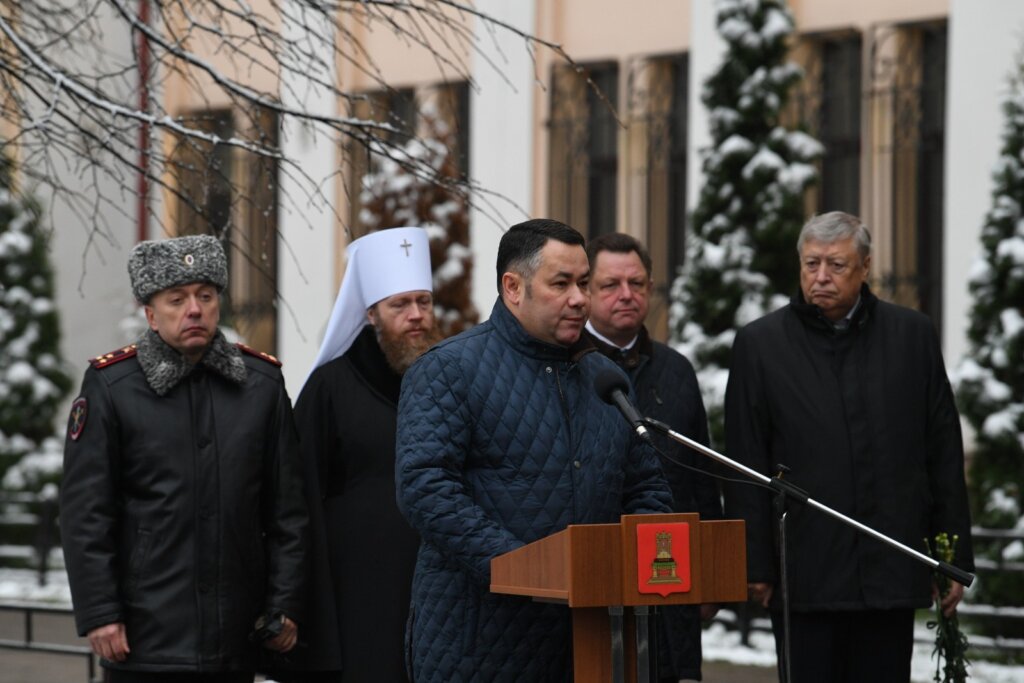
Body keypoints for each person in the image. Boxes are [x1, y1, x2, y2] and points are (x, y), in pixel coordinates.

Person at [394, 219, 674, 682]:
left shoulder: (606, 379)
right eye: (561, 284)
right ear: (513, 287)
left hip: (591, 639)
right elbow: (426, 487)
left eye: (583, 283)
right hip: (482, 642)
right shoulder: (449, 370)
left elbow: (645, 486)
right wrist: (519, 567)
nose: (579, 299)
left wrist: (636, 556)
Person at [723, 211, 974, 682]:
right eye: (811, 263)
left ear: (865, 266)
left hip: (890, 569)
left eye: (836, 265)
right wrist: (754, 564)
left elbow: (941, 448)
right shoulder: (760, 344)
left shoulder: (912, 335)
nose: (821, 276)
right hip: (804, 573)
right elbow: (746, 460)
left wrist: (952, 558)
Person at [60, 234, 309, 683]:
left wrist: (285, 604)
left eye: (205, 296)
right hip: (144, 638)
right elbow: (86, 513)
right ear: (151, 315)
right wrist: (100, 612)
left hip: (236, 637)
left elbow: (288, 511)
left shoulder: (261, 385)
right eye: (177, 299)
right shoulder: (112, 387)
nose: (194, 309)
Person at [280, 227, 440, 682]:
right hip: (355, 595)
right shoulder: (330, 387)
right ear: (371, 314)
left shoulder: (448, 380)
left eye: (423, 302)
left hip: (435, 589)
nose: (416, 315)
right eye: (400, 305)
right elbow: (297, 497)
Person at [584, 232, 721, 683]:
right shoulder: (568, 366)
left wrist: (710, 571)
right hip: (595, 577)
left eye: (637, 283)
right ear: (586, 291)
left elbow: (701, 474)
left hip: (671, 578)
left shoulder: (676, 369)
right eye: (610, 285)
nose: (626, 294)